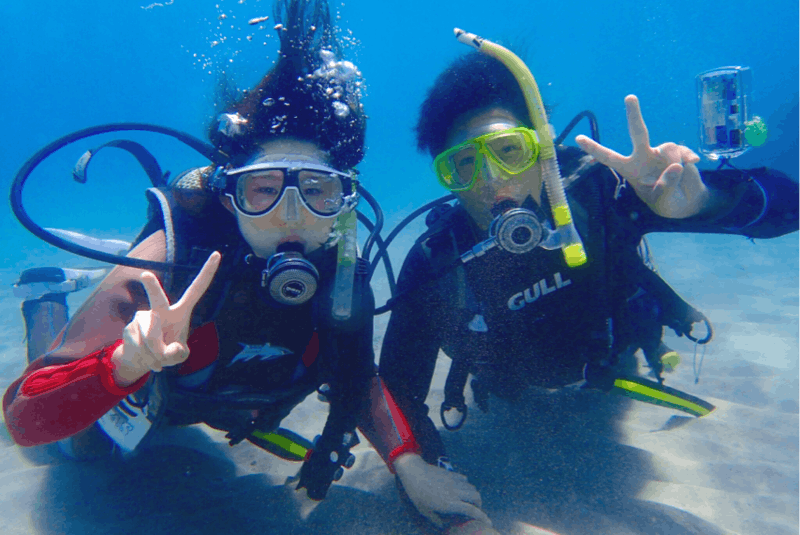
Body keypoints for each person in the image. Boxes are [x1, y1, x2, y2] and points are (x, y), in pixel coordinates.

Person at [3, 1, 492, 519]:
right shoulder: (168, 264)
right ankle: (45, 297)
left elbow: (358, 378)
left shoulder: (341, 271)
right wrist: (123, 364)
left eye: (317, 192)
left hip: (225, 403)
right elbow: (24, 419)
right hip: (157, 398)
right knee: (64, 454)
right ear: (228, 195)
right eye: (263, 190)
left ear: (344, 202)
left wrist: (408, 464)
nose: (291, 218)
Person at [378, 42, 800, 530]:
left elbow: (790, 208)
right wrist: (426, 471)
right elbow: (396, 389)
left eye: (510, 150)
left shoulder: (601, 192)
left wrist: (705, 200)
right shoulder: (437, 262)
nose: (493, 181)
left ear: (543, 149)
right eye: (464, 164)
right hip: (514, 397)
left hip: (612, 365)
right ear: (447, 179)